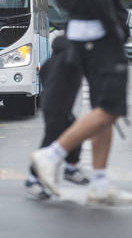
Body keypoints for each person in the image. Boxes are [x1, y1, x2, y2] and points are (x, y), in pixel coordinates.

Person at [30, 0, 132, 206]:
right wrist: (115, 28)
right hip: (98, 36)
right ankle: (51, 156)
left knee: (106, 111)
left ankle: (100, 184)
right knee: (110, 107)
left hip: (82, 32)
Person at [24, 35, 90, 200]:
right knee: (51, 141)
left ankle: (71, 167)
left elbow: (43, 77)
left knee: (75, 132)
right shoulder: (69, 57)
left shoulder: (51, 61)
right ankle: (32, 179)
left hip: (52, 103)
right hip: (57, 105)